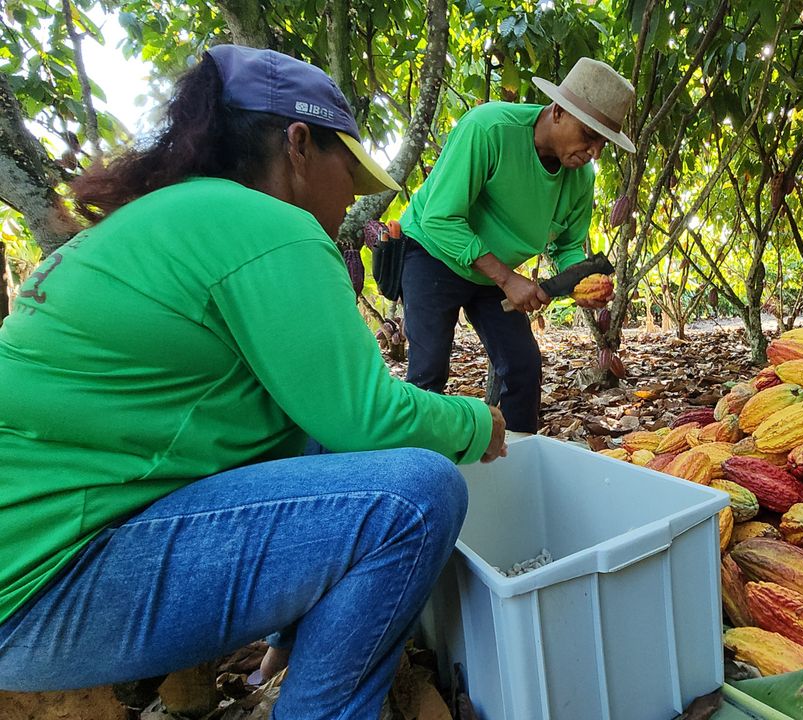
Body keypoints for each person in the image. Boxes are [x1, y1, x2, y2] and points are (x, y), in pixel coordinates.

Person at [0, 44, 505, 718]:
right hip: (45, 588)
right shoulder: (270, 225)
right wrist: (477, 422)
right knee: (416, 495)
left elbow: (311, 420)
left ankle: (263, 659)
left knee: (331, 448)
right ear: (298, 144)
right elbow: (368, 417)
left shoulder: (168, 217)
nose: (348, 208)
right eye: (347, 180)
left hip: (45, 556)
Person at [394, 57, 634, 432]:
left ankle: (516, 459)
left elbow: (568, 245)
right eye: (589, 136)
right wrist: (507, 279)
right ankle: (418, 469)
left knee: (523, 366)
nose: (595, 152)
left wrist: (580, 283)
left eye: (603, 143)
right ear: (557, 112)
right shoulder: (489, 129)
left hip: (493, 274)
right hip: (432, 253)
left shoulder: (580, 176)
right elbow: (439, 219)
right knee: (429, 371)